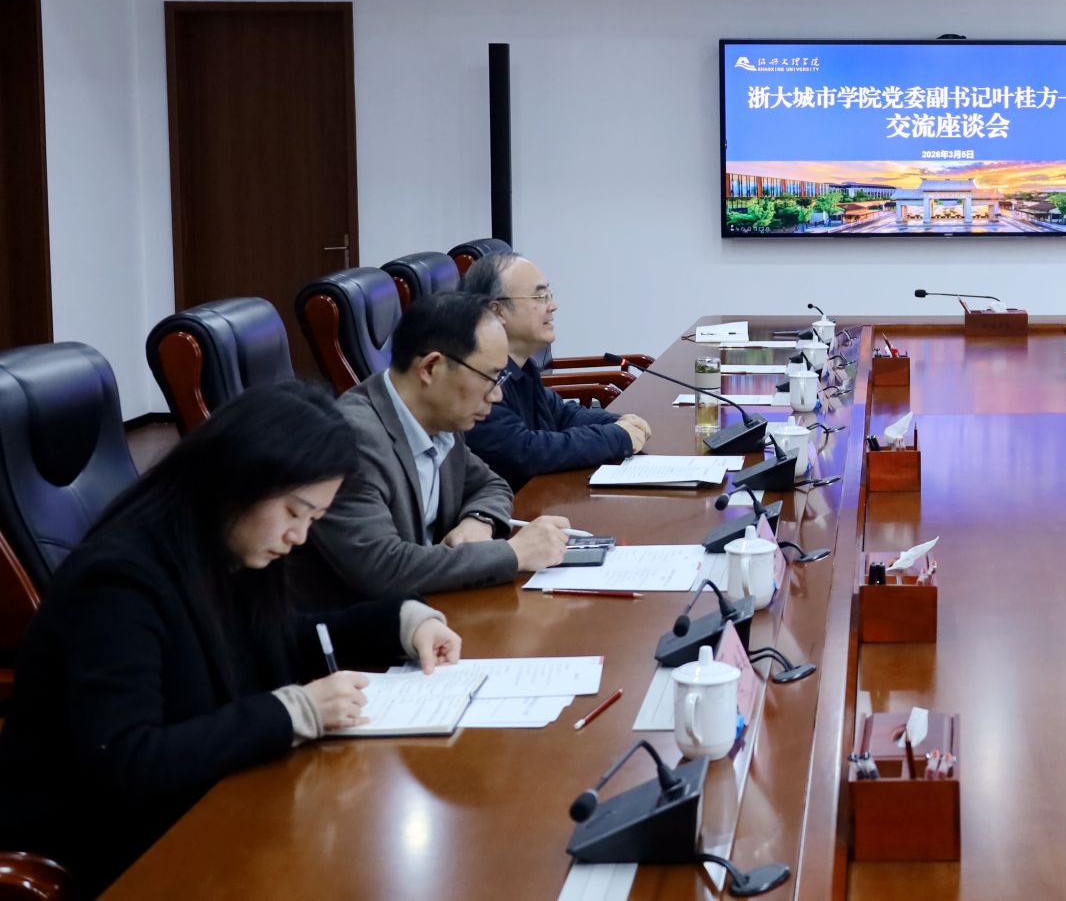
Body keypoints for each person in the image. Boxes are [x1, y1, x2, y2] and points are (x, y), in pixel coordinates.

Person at [0, 383, 464, 896]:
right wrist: (293, 712)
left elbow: (274, 641)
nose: (300, 536)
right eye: (294, 512)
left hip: (208, 808)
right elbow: (129, 761)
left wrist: (401, 621)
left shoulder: (220, 544)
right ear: (238, 479)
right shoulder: (117, 582)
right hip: (116, 850)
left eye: (313, 519)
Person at [301, 291, 570, 604]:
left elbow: (491, 484)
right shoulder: (353, 440)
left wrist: (478, 522)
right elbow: (382, 568)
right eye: (490, 377)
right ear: (431, 368)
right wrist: (513, 554)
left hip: (440, 605)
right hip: (376, 625)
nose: (496, 395)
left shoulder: (438, 416)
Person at [459, 252, 651, 489]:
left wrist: (621, 422)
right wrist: (617, 436)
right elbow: (525, 452)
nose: (553, 306)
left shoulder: (521, 368)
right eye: (540, 297)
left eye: (549, 295)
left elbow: (561, 415)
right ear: (497, 311)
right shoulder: (478, 380)